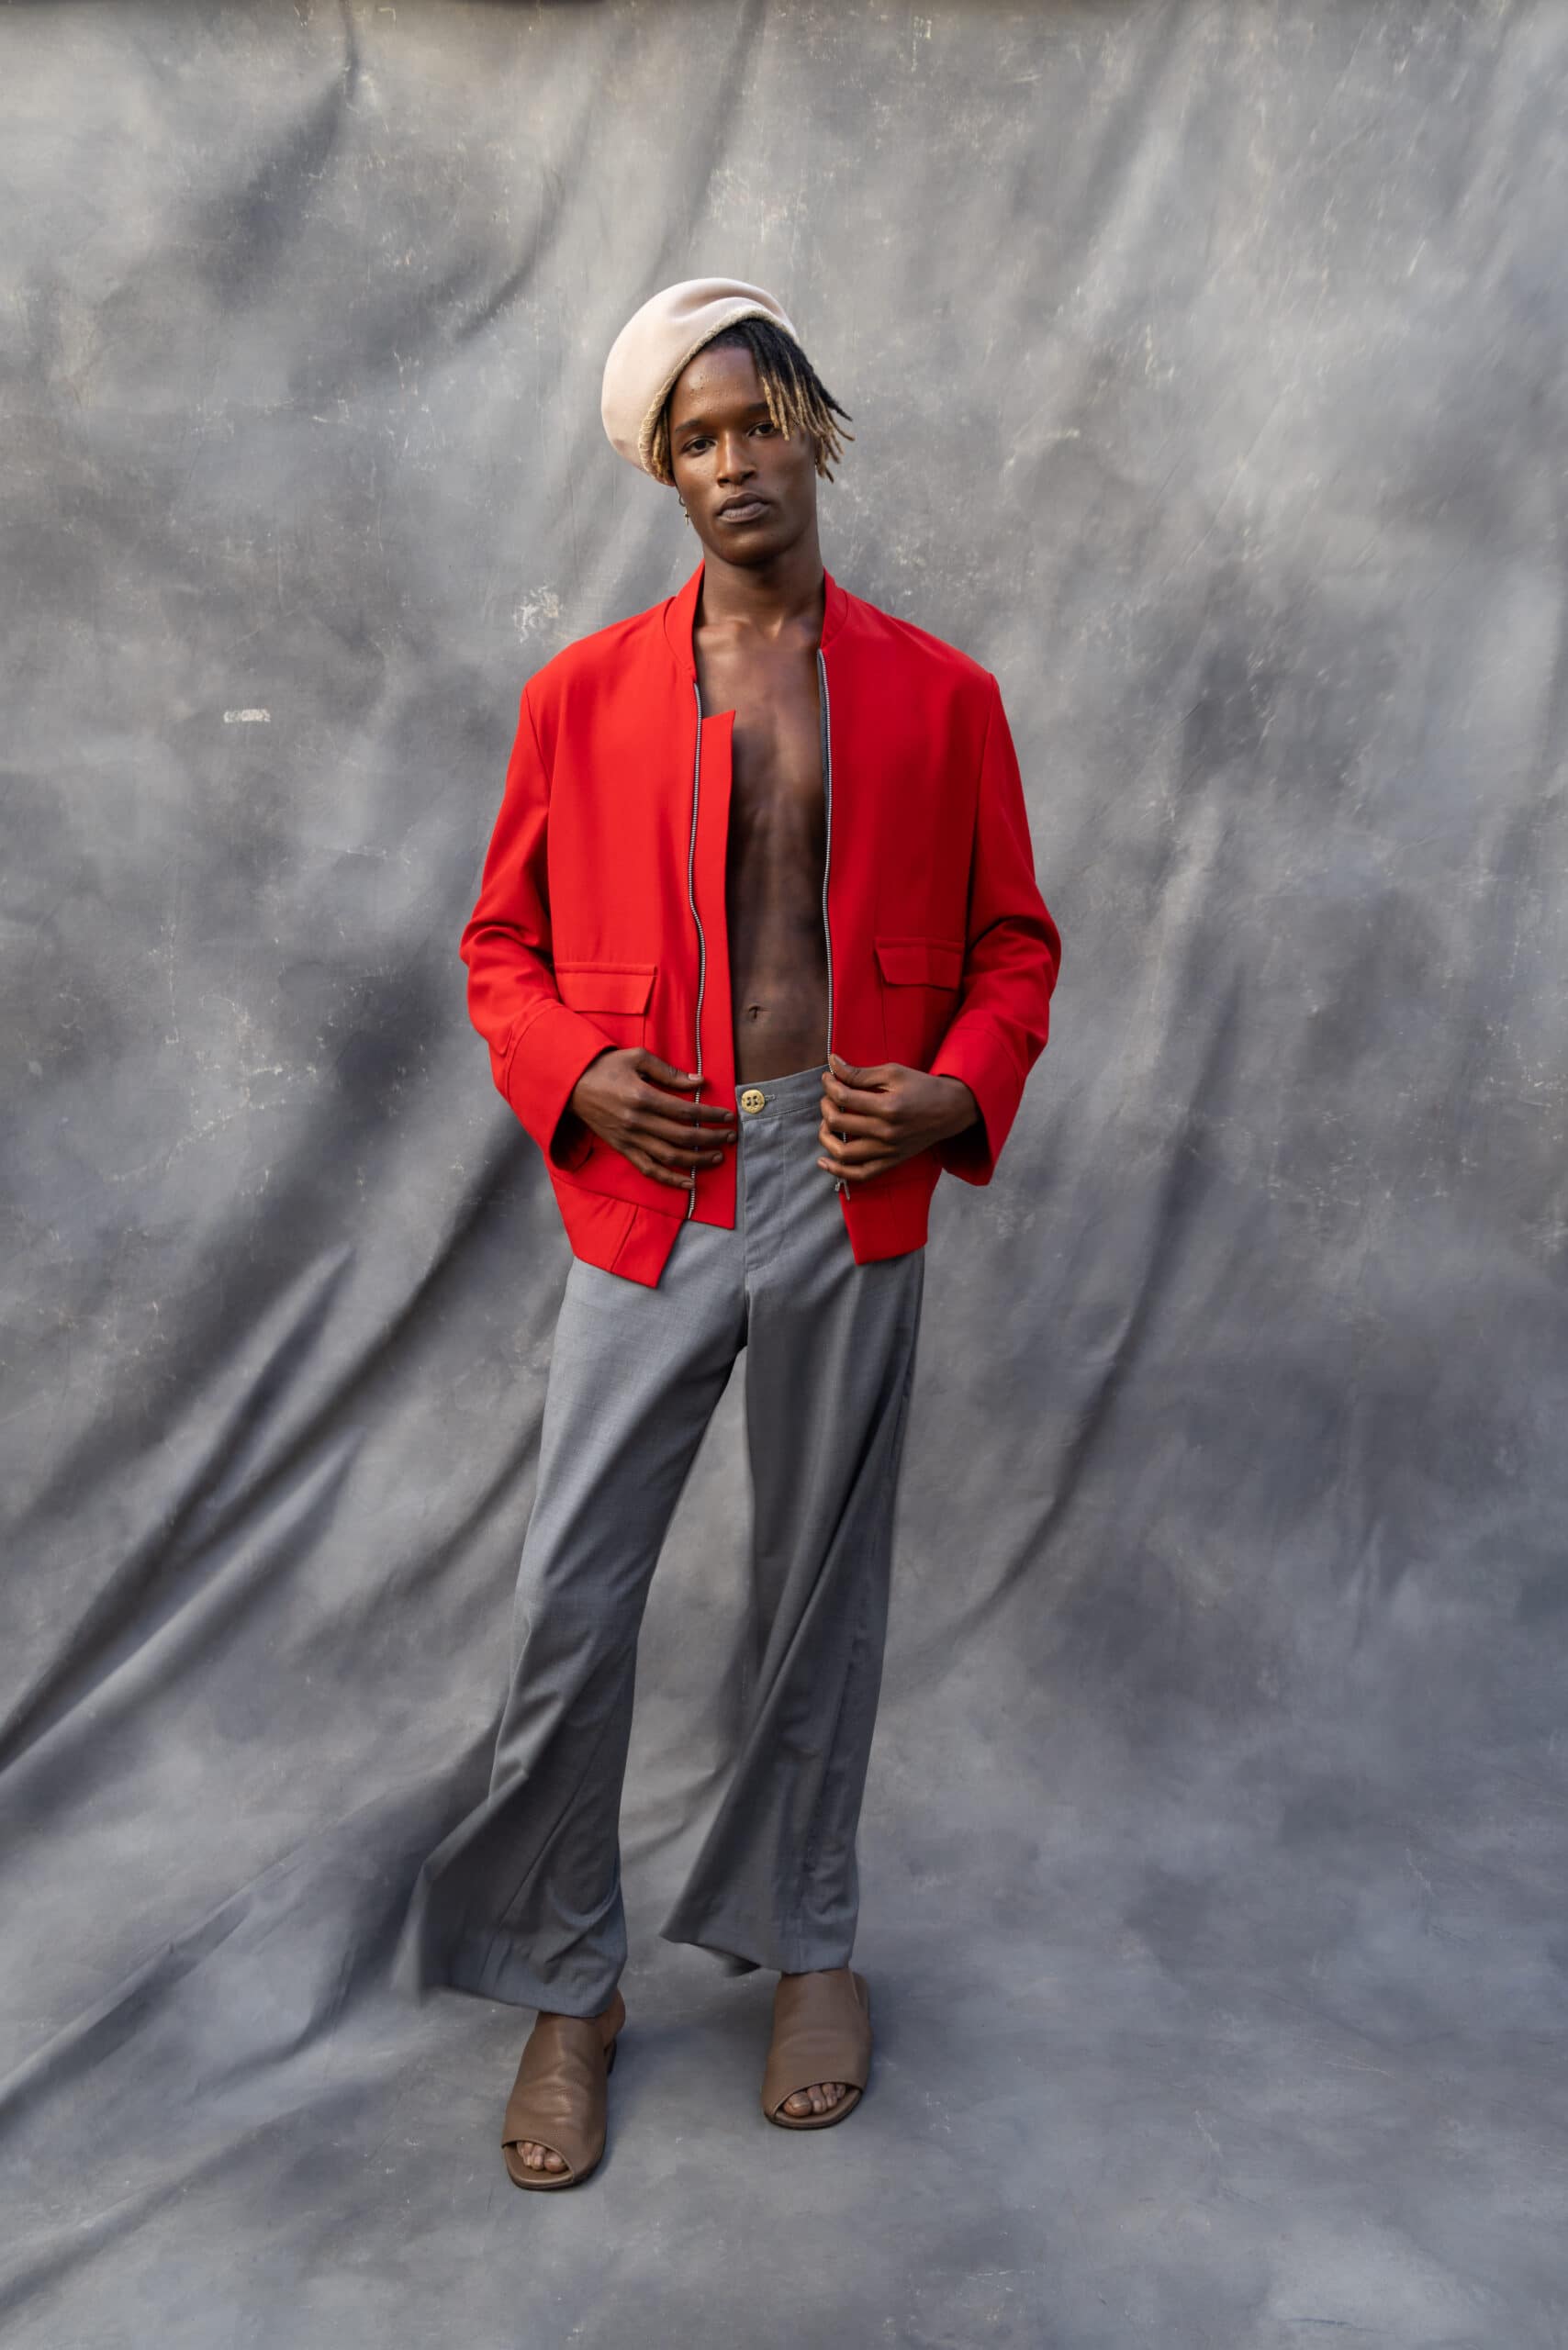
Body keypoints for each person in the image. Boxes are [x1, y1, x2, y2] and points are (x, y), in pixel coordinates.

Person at [395, 277, 1061, 2189]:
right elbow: (497, 949)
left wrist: (952, 1089)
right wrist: (581, 1075)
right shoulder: (582, 695)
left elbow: (1014, 944)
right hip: (653, 1188)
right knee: (573, 1601)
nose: (734, 460)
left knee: (818, 1600)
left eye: (760, 420)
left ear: (812, 431)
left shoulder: (943, 696)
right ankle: (568, 1980)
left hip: (847, 1186)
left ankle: (809, 1947)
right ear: (661, 471)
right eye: (694, 438)